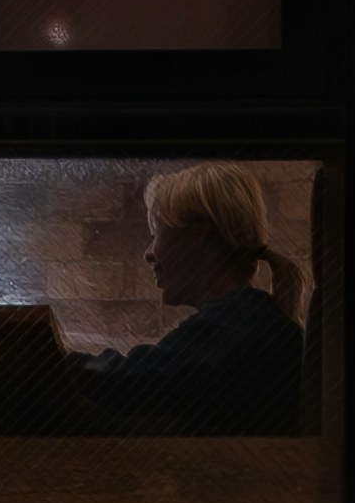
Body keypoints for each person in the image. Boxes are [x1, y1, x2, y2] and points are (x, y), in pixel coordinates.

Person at [82, 163, 310, 433]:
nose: (148, 252)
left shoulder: (236, 327)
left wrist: (44, 360)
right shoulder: (248, 321)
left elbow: (128, 382)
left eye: (157, 234)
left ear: (198, 231)